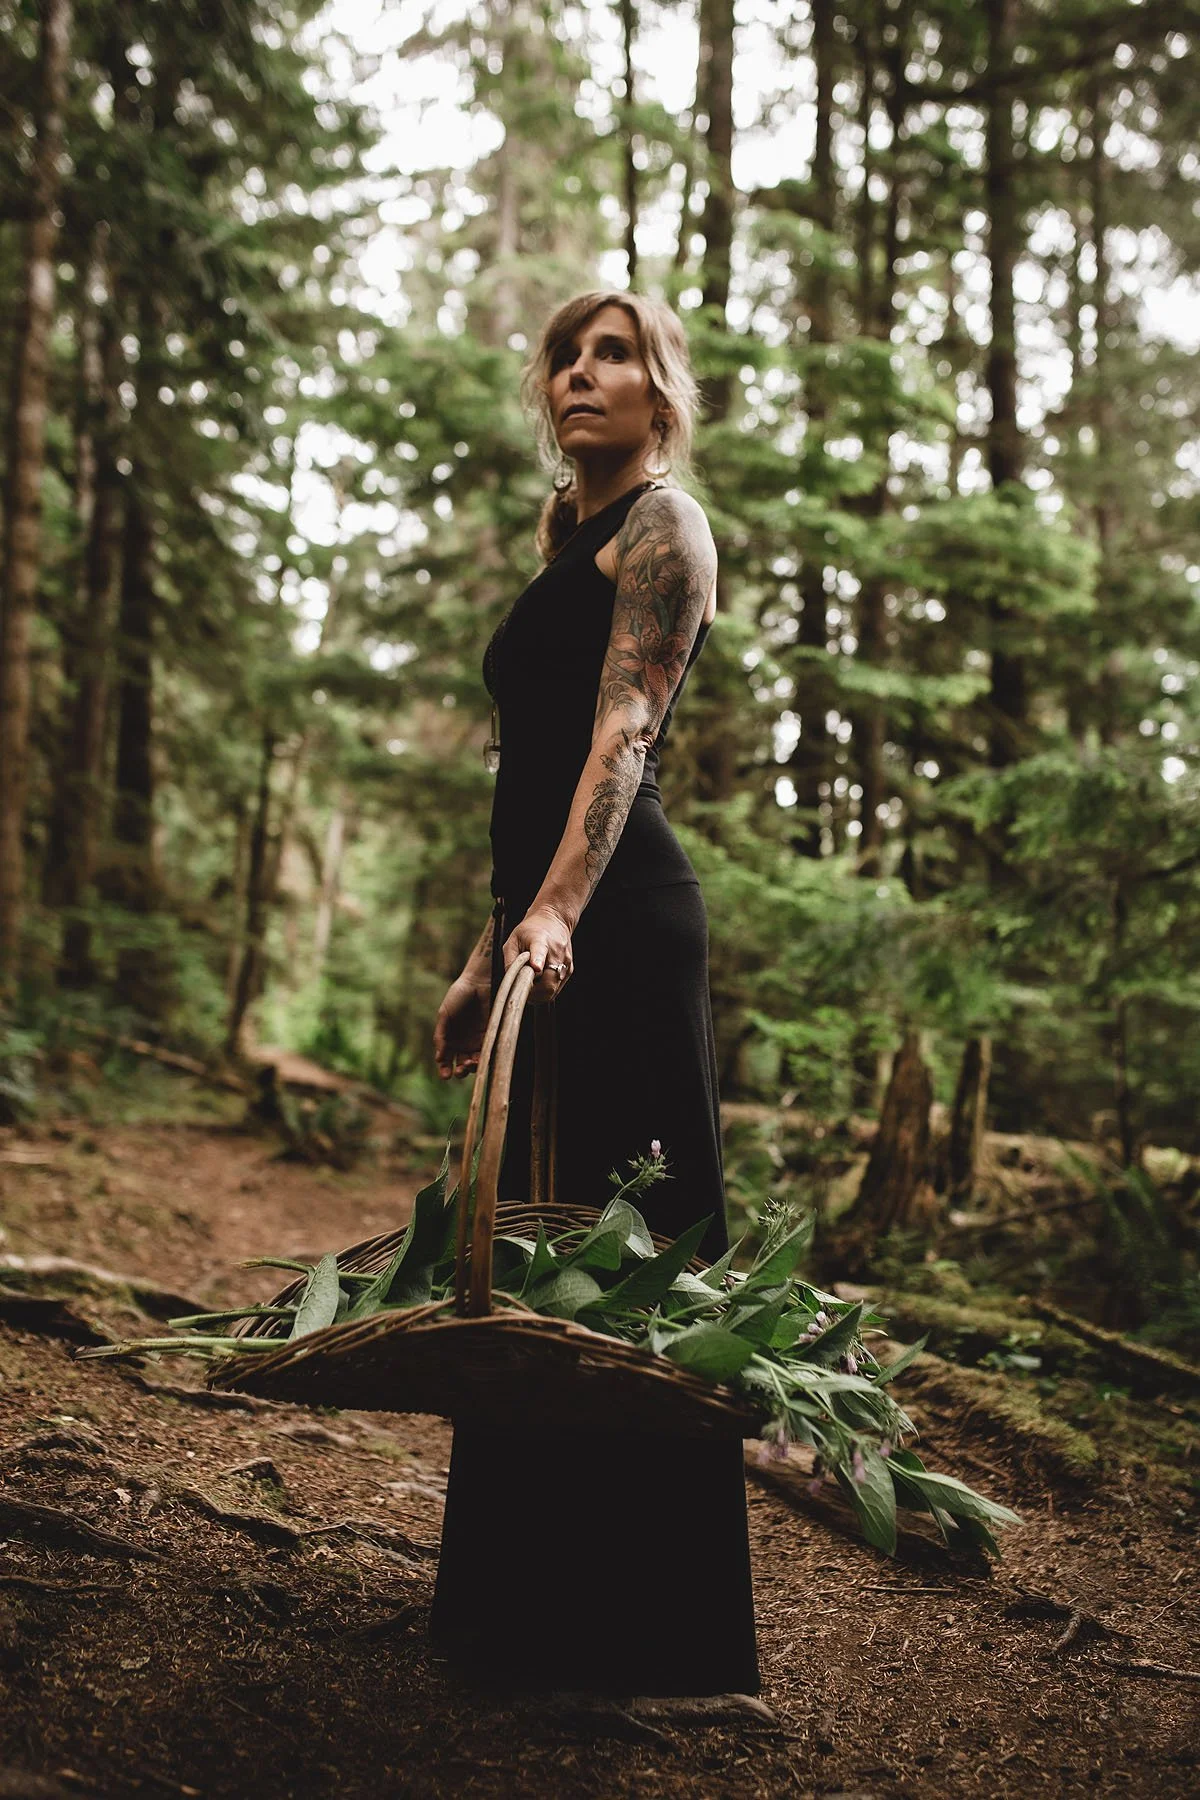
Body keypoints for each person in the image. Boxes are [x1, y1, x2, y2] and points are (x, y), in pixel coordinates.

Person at [429, 291, 759, 1697]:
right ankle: (523, 1610)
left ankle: (655, 1637)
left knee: (629, 1252)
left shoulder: (666, 527)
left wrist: (560, 908)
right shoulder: (568, 535)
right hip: (549, 925)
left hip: (624, 922)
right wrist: (485, 939)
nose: (580, 371)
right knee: (534, 1244)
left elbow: (625, 729)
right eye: (565, 352)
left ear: (660, 390)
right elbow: (530, 764)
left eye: (613, 352)